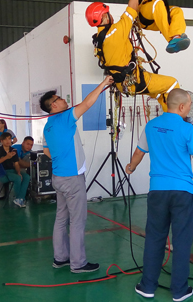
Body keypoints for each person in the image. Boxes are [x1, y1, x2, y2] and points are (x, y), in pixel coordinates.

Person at [125, 88, 193, 301]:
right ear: (181, 107)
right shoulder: (188, 129)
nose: (190, 109)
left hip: (158, 190)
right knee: (181, 241)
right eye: (189, 105)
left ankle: (147, 286)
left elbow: (138, 153)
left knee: (155, 238)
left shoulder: (151, 126)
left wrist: (131, 167)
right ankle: (179, 291)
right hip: (182, 192)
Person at [41, 75, 114, 273]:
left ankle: (61, 258)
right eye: (59, 99)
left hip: (59, 177)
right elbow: (87, 103)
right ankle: (78, 263)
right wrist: (104, 84)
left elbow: (47, 151)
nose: (64, 100)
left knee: (61, 218)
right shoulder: (64, 118)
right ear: (53, 106)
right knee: (77, 221)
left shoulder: (48, 125)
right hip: (72, 178)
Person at [87, 0, 179, 112]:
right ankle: (175, 121)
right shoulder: (115, 31)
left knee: (161, 91)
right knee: (172, 84)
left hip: (123, 84)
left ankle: (168, 116)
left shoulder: (98, 40)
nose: (110, 16)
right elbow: (132, 8)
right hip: (135, 80)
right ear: (104, 17)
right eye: (108, 14)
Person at [0, 132, 29, 208]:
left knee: (26, 177)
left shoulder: (13, 150)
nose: (8, 141)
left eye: (9, 139)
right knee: (17, 178)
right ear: (1, 141)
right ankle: (18, 198)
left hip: (13, 170)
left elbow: (16, 163)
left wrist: (18, 172)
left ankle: (21, 198)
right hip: (4, 173)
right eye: (5, 139)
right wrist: (6, 157)